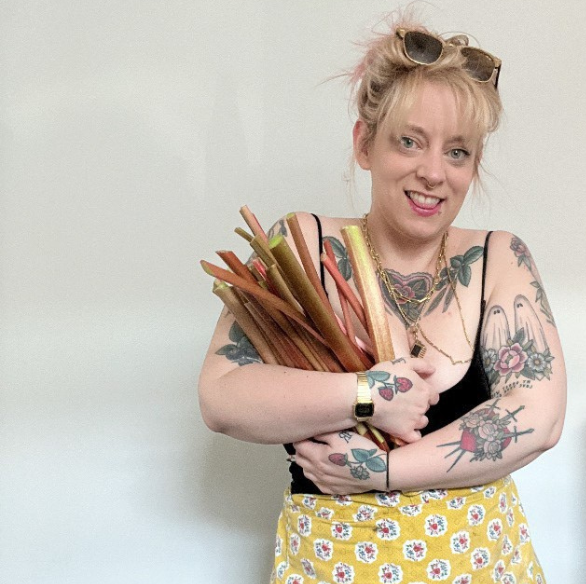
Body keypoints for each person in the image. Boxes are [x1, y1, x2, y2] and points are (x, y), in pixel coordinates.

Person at [198, 16, 567, 584]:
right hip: (332, 564)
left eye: (458, 152)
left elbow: (536, 418)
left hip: (482, 564)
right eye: (410, 141)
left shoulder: (501, 259)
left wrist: (384, 469)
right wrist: (368, 394)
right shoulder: (304, 246)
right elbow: (223, 396)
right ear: (365, 144)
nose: (433, 173)